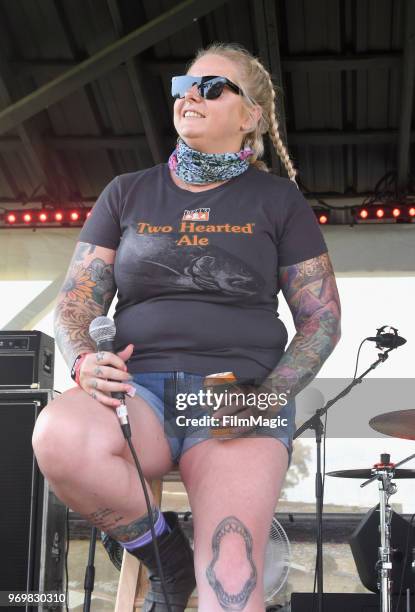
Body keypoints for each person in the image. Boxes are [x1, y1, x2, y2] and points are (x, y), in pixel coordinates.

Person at [32, 42, 341, 612]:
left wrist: (266, 399)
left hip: (234, 392)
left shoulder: (278, 200)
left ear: (250, 116)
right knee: (58, 435)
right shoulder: (126, 191)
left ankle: (189, 563)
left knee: (231, 578)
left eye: (212, 86)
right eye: (183, 85)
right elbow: (78, 301)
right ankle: (163, 554)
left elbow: (321, 318)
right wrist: (82, 358)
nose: (190, 96)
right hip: (137, 390)